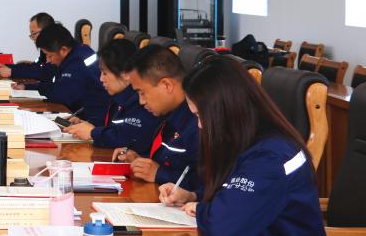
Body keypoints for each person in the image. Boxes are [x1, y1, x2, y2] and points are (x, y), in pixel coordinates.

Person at [158, 56, 325, 235]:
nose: (200, 125)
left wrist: (201, 210)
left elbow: (224, 226)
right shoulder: (245, 137)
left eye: (200, 115)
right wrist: (193, 196)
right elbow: (234, 192)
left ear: (224, 109)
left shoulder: (271, 157)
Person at [114, 45, 199, 191]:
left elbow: (206, 185)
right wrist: (141, 161)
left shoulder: (197, 122)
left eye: (142, 92)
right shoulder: (169, 114)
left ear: (167, 85)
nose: (141, 101)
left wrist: (159, 173)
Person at [64, 39, 160, 154]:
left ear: (126, 74)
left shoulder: (141, 101)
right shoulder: (117, 97)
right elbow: (111, 126)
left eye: (105, 73)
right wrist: (87, 124)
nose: (101, 79)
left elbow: (130, 139)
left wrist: (93, 132)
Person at [32, 24, 108, 124]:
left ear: (63, 50)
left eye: (50, 56)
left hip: (95, 120)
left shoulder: (78, 62)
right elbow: (55, 84)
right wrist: (29, 87)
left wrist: (37, 89)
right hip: (82, 115)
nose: (48, 60)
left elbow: (62, 95)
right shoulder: (74, 53)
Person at [0, 12, 55, 81]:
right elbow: (36, 66)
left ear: (46, 31)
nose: (32, 38)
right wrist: (8, 66)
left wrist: (12, 72)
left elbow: (46, 73)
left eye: (33, 33)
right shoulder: (45, 49)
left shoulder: (56, 48)